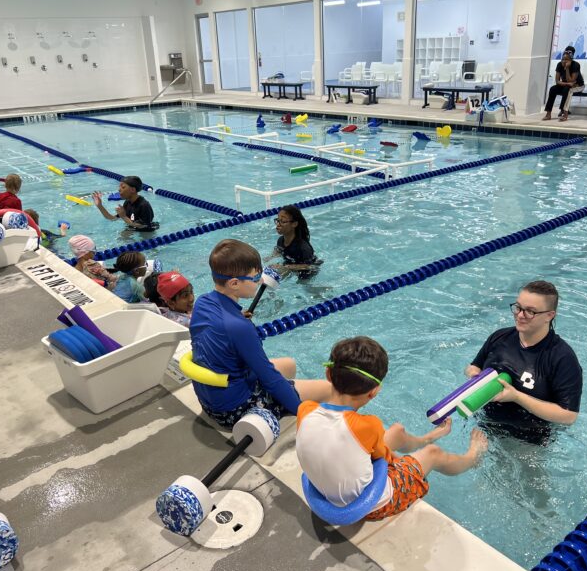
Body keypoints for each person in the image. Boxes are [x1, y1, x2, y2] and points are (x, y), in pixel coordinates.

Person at [297, 336, 488, 520]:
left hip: (325, 493)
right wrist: (408, 461)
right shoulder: (367, 425)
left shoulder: (305, 410)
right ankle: (472, 457)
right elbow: (384, 460)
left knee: (396, 432)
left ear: (328, 374)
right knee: (433, 453)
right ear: (374, 392)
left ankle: (427, 437)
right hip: (370, 504)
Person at [189, 239, 332, 428]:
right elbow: (270, 379)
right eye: (256, 278)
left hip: (210, 399)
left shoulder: (203, 302)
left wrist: (238, 316)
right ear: (234, 283)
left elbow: (218, 340)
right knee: (329, 389)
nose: (261, 281)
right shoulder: (239, 327)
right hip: (233, 410)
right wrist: (301, 413)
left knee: (289, 364)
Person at [465, 280, 582, 444]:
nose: (520, 315)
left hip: (528, 439)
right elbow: (474, 366)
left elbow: (569, 416)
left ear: (549, 315)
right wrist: (474, 376)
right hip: (484, 426)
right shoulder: (500, 338)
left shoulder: (561, 358)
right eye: (518, 307)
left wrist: (517, 397)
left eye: (530, 311)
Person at [267, 205, 321, 279]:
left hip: (306, 271)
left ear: (294, 224)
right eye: (278, 220)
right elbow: (278, 250)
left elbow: (311, 266)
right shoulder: (280, 240)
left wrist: (287, 267)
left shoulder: (302, 248)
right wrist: (270, 258)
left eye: (283, 221)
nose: (278, 225)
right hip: (290, 264)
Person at [92, 176, 159, 231]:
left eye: (123, 187)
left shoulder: (144, 205)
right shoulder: (127, 202)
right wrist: (100, 206)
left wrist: (124, 216)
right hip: (132, 227)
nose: (119, 189)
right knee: (121, 239)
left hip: (146, 232)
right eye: (119, 187)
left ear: (132, 190)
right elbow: (112, 218)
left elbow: (143, 226)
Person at [543, 47, 585, 122]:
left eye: (566, 60)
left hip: (578, 86)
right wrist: (567, 83)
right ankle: (548, 113)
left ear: (571, 60)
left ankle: (564, 113)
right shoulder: (559, 65)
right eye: (563, 59)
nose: (564, 61)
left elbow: (571, 80)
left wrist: (567, 68)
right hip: (567, 85)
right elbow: (557, 81)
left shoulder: (576, 65)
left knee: (567, 90)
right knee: (553, 89)